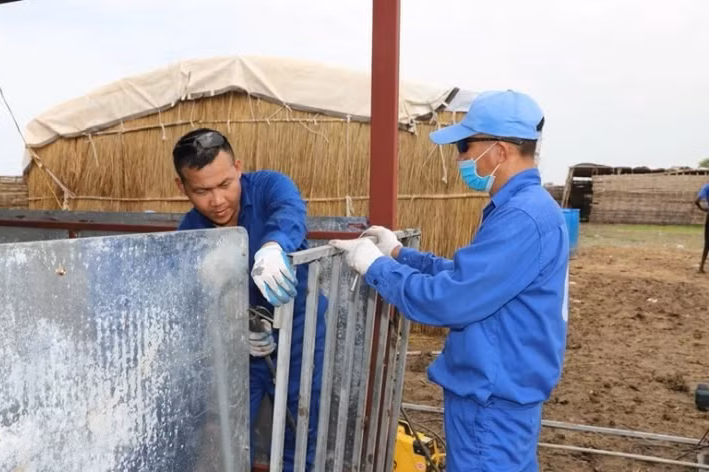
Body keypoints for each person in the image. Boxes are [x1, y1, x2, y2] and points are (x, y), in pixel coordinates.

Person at [329, 90, 569, 471]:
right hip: (500, 394)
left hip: (491, 402)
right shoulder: (526, 209)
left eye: (465, 145)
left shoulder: (522, 217)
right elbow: (469, 277)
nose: (460, 158)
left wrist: (376, 268)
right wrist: (399, 254)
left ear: (500, 150)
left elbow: (452, 299)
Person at [173, 128, 327, 471]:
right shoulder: (189, 234)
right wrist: (228, 325)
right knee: (232, 424)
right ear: (181, 188)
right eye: (202, 191)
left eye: (225, 184)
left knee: (301, 421)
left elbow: (290, 212)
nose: (217, 201)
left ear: (238, 167)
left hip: (298, 328)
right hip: (239, 345)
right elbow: (188, 306)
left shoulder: (271, 185)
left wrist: (274, 245)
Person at [695, 182, 709, 273]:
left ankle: (701, 267)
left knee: (707, 242)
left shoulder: (707, 187)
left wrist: (703, 209)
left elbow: (697, 201)